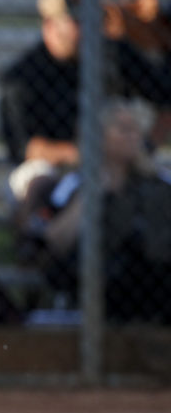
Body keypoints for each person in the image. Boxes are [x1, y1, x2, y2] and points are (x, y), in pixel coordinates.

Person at [0, 0, 171, 203]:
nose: (89, 28)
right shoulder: (23, 75)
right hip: (58, 166)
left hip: (120, 158)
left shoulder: (115, 52)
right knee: (34, 181)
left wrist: (145, 146)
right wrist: (85, 154)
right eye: (77, 22)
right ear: (50, 25)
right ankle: (37, 236)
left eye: (93, 20)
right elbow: (26, 148)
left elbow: (165, 96)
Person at [40, 100, 171, 323]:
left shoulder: (159, 182)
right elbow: (55, 240)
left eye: (136, 130)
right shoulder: (74, 183)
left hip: (153, 276)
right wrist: (90, 195)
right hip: (96, 275)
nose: (133, 136)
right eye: (123, 129)